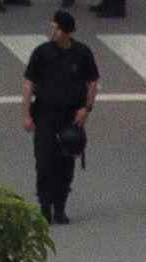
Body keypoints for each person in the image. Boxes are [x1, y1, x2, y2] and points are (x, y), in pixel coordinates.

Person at [24, 11, 98, 225]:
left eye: (56, 28)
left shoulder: (82, 53)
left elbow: (93, 81)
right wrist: (27, 114)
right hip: (45, 114)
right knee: (44, 162)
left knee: (66, 163)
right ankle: (45, 207)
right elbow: (28, 83)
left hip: (71, 116)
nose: (52, 32)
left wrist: (87, 108)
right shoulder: (42, 53)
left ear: (67, 32)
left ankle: (60, 207)